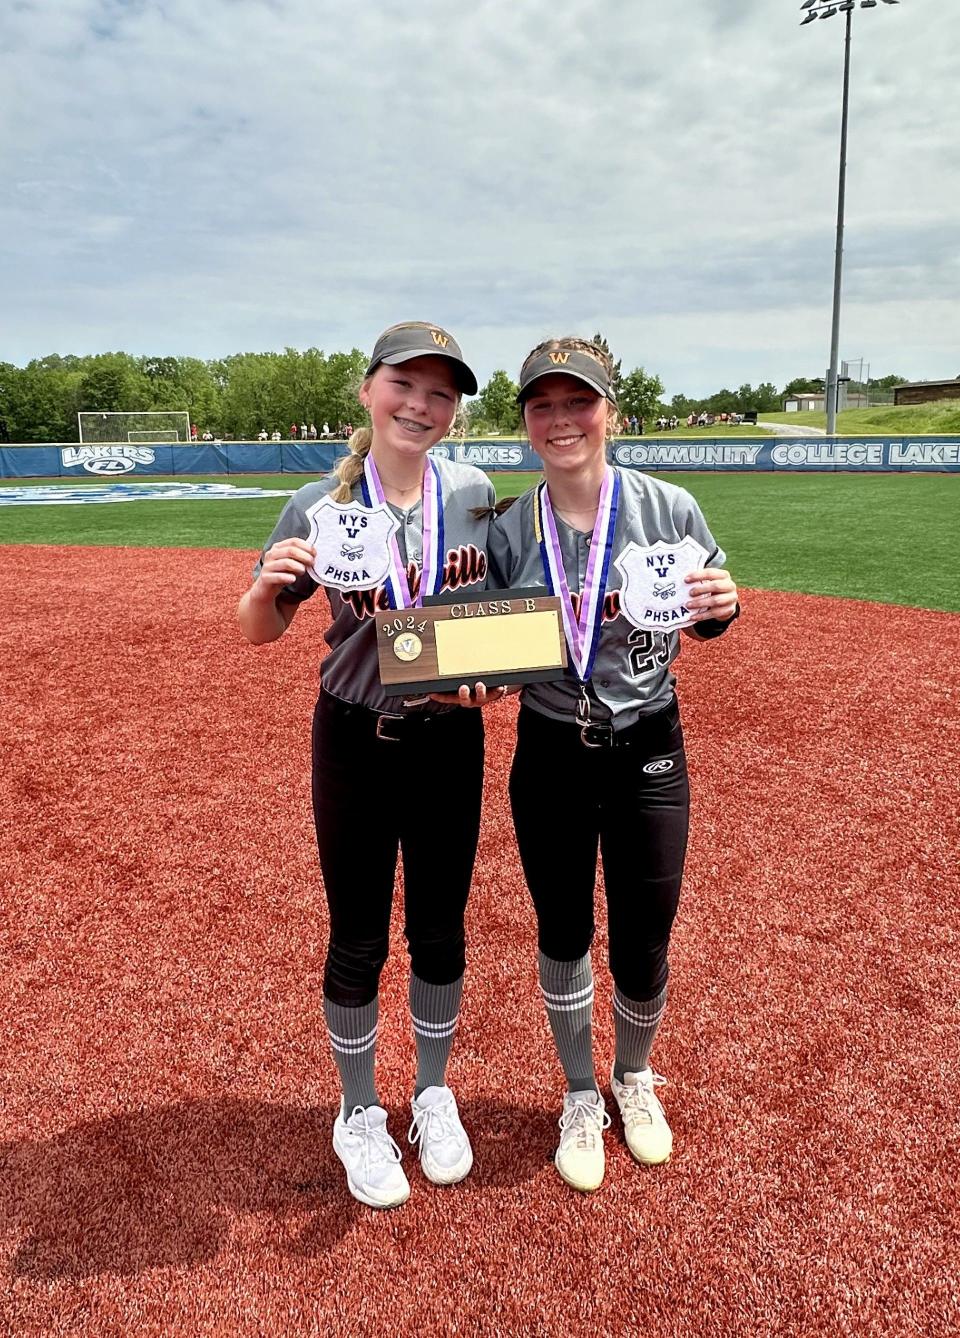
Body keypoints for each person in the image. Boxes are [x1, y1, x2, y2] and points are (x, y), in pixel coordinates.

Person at [238, 322, 505, 1210]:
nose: (421, 405)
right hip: (354, 737)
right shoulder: (319, 503)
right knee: (357, 933)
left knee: (439, 928)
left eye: (441, 392)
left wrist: (487, 677)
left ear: (455, 410)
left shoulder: (474, 494)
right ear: (368, 391)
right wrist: (265, 586)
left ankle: (431, 1091)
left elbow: (498, 620)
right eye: (406, 385)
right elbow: (259, 628)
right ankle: (358, 1110)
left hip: (447, 741)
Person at [490, 336, 739, 1193]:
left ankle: (632, 1076)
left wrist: (724, 605)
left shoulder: (669, 508)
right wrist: (464, 673)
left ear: (611, 412)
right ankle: (577, 1093)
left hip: (648, 750)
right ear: (526, 424)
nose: (562, 420)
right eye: (543, 405)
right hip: (551, 750)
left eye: (579, 401)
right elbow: (484, 641)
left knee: (644, 937)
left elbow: (710, 604)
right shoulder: (507, 526)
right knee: (562, 931)